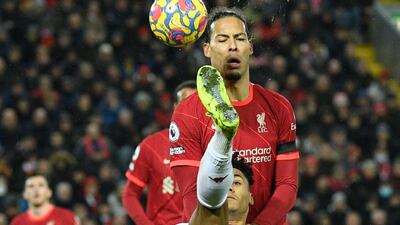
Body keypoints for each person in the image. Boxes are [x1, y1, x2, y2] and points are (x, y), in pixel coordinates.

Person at [170, 7, 299, 225]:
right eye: (222, 39)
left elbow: (287, 185)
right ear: (207, 49)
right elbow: (192, 194)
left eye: (239, 38)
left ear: (250, 46)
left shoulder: (278, 107)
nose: (232, 46)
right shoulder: (187, 113)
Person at [122, 80, 197, 225]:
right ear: (175, 107)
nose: (191, 107)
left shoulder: (215, 145)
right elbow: (130, 195)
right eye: (185, 102)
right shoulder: (151, 145)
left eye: (196, 103)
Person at [10, 174, 80, 225]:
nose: (36, 190)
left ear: (49, 192)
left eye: (41, 185)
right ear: (24, 194)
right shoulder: (18, 222)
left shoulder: (66, 217)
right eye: (31, 186)